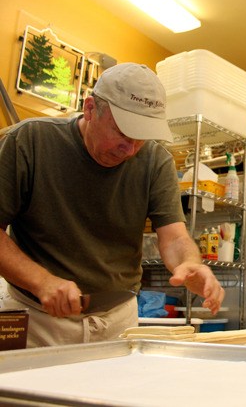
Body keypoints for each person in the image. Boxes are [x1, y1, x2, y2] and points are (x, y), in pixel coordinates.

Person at [0, 63, 224, 347]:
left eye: (141, 138)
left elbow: (175, 237)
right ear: (91, 109)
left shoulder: (156, 161)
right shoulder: (29, 141)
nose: (130, 150)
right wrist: (41, 281)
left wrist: (190, 264)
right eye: (122, 132)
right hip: (37, 319)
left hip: (118, 321)